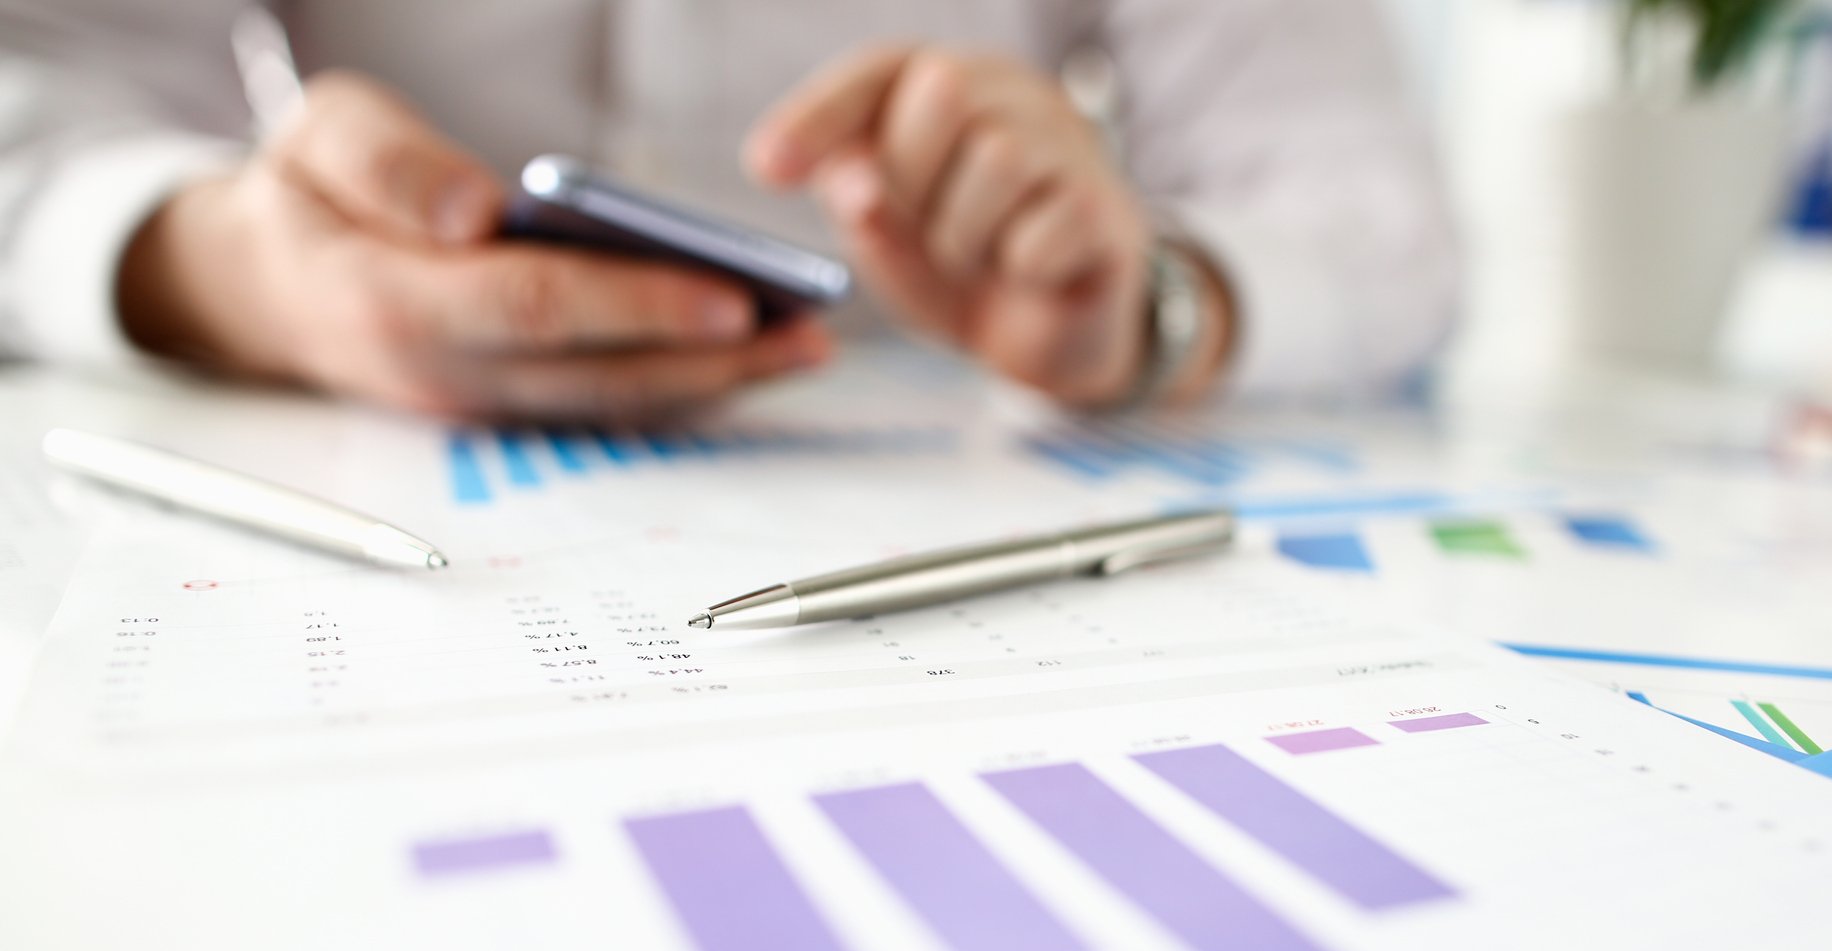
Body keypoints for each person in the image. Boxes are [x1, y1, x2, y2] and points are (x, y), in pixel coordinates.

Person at [0, 1, 1455, 422]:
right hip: (338, 433)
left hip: (942, 449)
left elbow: (1369, 205)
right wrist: (228, 268)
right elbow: (47, 82)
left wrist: (1152, 310)